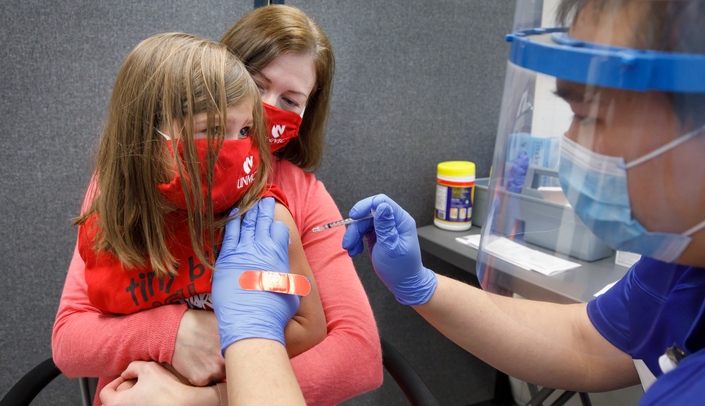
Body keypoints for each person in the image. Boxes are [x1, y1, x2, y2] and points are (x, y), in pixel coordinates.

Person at [340, 1, 705, 404]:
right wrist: (421, 285)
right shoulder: (680, 265)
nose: (572, 143)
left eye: (590, 114)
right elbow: (585, 341)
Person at [52, 5, 382, 406]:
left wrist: (210, 397)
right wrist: (174, 334)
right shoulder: (128, 181)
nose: (266, 109)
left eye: (291, 100)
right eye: (256, 86)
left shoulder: (288, 204)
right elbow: (70, 340)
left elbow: (357, 356)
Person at [73, 30, 326, 361]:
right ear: (145, 137)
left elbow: (309, 324)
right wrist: (167, 337)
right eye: (213, 130)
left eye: (246, 131)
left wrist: (215, 366)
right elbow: (76, 338)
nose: (236, 149)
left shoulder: (265, 218)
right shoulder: (107, 222)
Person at [100, 198, 307, 405]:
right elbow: (70, 337)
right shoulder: (113, 207)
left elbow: (317, 332)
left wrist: (199, 399)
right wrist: (172, 333)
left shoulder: (274, 210)